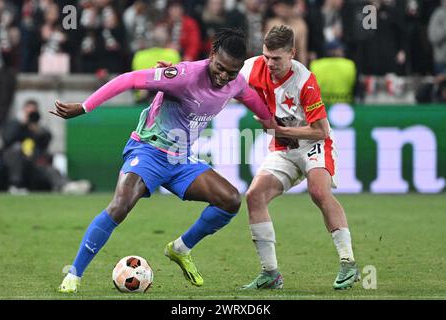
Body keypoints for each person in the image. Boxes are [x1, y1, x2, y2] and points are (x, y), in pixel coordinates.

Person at [52, 28, 274, 293]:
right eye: (220, 67)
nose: (224, 76)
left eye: (232, 72)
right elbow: (128, 79)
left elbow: (254, 101)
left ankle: (180, 249)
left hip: (181, 160)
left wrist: (273, 126)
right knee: (120, 206)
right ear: (212, 54)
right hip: (148, 151)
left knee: (230, 200)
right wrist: (85, 107)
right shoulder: (184, 75)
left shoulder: (234, 83)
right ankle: (74, 275)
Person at [239, 25, 359, 290]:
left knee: (318, 192)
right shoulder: (252, 67)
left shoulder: (304, 80)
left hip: (313, 144)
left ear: (292, 53)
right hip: (283, 149)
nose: (270, 64)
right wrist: (179, 73)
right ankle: (270, 273)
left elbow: (321, 130)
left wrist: (279, 130)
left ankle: (348, 262)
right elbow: (216, 70)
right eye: (266, 56)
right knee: (254, 196)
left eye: (277, 59)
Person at [0, 99, 91, 194]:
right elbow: (7, 139)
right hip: (12, 165)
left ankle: (67, 185)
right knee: (17, 148)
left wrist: (37, 129)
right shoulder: (14, 124)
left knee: (49, 169)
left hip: (32, 164)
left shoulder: (37, 128)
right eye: (28, 112)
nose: (30, 115)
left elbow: (46, 141)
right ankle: (15, 185)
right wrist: (21, 124)